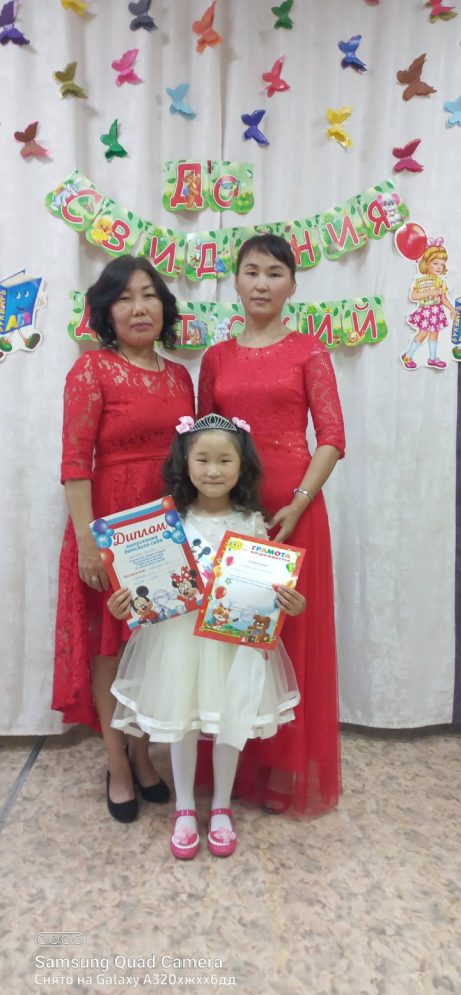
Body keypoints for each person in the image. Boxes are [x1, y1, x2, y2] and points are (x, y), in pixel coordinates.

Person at [107, 414, 306, 858]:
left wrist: (288, 603)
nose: (213, 470)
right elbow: (146, 584)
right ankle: (183, 806)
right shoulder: (166, 523)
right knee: (181, 721)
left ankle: (220, 807)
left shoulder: (252, 522)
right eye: (202, 459)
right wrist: (126, 602)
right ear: (185, 463)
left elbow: (267, 586)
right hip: (177, 640)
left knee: (230, 721)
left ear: (242, 466)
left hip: (232, 643)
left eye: (224, 460)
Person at [197, 233, 345, 817]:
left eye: (275, 273)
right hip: (230, 510)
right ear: (235, 281)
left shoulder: (309, 351)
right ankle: (234, 769)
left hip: (292, 513)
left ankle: (282, 769)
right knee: (232, 636)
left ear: (292, 285)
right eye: (252, 272)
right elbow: (202, 438)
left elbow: (332, 437)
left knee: (285, 636)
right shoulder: (216, 358)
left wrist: (300, 501)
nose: (262, 283)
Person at [52, 255, 195, 823]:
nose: (139, 308)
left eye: (149, 295)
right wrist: (89, 544)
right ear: (106, 312)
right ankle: (116, 762)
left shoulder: (180, 376)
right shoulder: (91, 370)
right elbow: (74, 462)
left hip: (164, 528)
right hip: (109, 527)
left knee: (152, 645)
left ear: (164, 307)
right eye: (124, 298)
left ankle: (143, 753)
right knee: (110, 647)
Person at [401, 240, 455, 371]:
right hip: (425, 312)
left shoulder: (441, 282)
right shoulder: (420, 281)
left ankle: (432, 358)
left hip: (436, 312)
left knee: (434, 334)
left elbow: (443, 298)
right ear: (427, 263)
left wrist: (451, 308)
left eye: (442, 264)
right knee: (423, 333)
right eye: (435, 263)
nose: (439, 267)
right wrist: (429, 292)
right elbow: (414, 296)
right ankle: (408, 356)